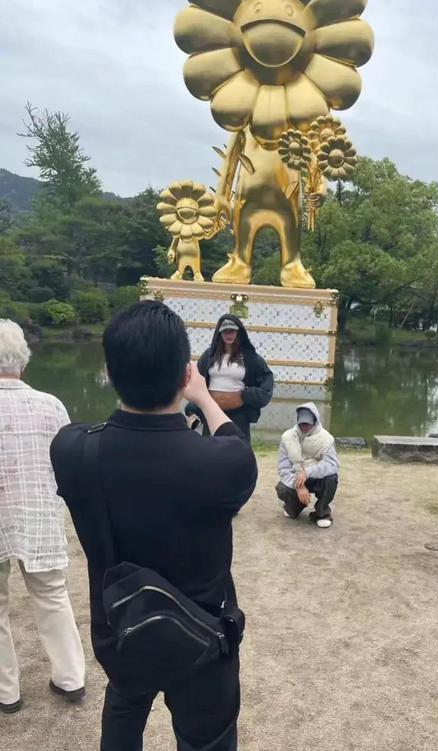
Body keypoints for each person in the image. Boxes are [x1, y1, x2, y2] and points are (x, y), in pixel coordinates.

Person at [50, 302, 258, 751]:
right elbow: (232, 439)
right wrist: (203, 398)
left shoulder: (71, 451)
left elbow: (109, 435)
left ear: (108, 371)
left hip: (121, 627)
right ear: (185, 374)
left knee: (124, 707)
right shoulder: (222, 464)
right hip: (205, 639)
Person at [0, 320, 85, 715]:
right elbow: (70, 465)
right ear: (24, 361)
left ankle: (7, 692)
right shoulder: (52, 405)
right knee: (52, 595)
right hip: (39, 514)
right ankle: (71, 679)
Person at [189, 314, 273, 441]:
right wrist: (194, 407)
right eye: (225, 332)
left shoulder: (249, 357)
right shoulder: (209, 356)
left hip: (238, 414)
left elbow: (266, 379)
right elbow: (198, 379)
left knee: (237, 449)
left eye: (232, 331)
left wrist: (249, 395)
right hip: (212, 412)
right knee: (211, 450)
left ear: (238, 332)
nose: (229, 335)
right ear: (220, 333)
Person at [276, 403, 339, 529]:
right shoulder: (287, 437)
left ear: (315, 421)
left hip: (317, 477)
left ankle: (322, 513)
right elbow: (283, 468)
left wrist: (307, 472)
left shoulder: (327, 439)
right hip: (296, 477)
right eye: (301, 423)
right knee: (282, 488)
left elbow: (332, 465)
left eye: (308, 423)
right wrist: (299, 486)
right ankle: (294, 506)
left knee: (331, 478)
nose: (304, 426)